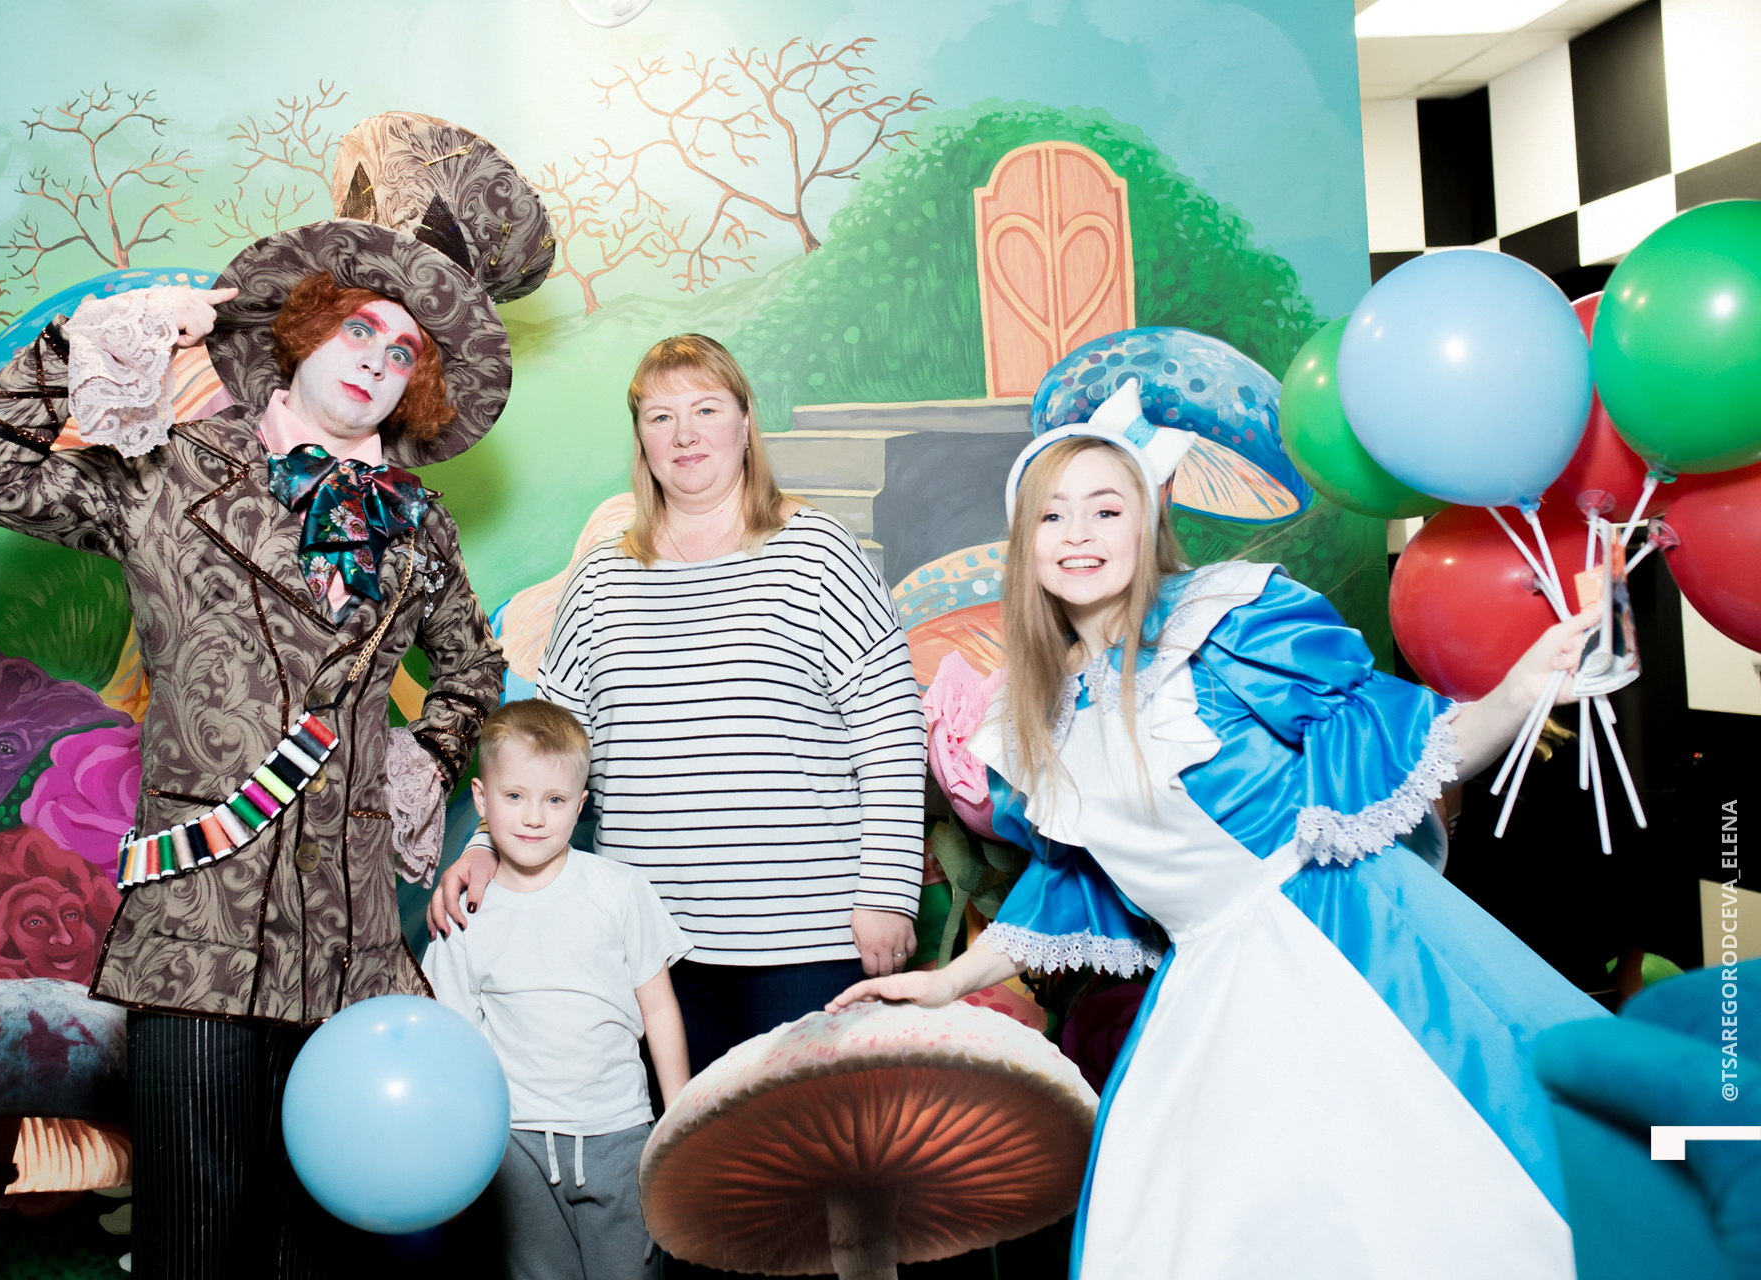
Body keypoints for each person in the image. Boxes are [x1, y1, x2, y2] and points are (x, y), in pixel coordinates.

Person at [829, 378, 1608, 1280]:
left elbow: (1402, 747)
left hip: (1344, 940)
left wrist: (1522, 686)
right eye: (1052, 516)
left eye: (1106, 509)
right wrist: (945, 982)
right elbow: (1072, 884)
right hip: (1208, 987)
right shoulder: (1033, 717)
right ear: (1025, 544)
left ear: (1146, 524)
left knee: (1429, 1193)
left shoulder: (1231, 629)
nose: (1079, 534)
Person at [0, 193, 542, 1273]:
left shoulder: (417, 523)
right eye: (358, 327)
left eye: (403, 351)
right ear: (301, 334)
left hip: (351, 949)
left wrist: (422, 760)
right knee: (196, 1251)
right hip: (195, 936)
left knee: (320, 1258)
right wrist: (93, 340)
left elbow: (474, 670)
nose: (377, 358)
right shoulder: (167, 469)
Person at [431, 334, 924, 1074]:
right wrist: (483, 849)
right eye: (661, 417)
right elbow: (546, 750)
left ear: (745, 422)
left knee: (810, 1144)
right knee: (676, 1147)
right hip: (650, 952)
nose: (685, 434)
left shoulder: (818, 552)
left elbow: (892, 733)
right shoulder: (600, 581)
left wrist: (889, 891)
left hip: (810, 941)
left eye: (706, 409)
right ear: (641, 439)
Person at [423, 699, 690, 1280]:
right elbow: (455, 1045)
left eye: (555, 800)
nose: (533, 817)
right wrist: (461, 1149)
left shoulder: (620, 890)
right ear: (481, 800)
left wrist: (681, 1119)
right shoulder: (462, 914)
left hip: (621, 1136)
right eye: (515, 796)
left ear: (581, 806)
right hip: (513, 1148)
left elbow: (660, 1009)